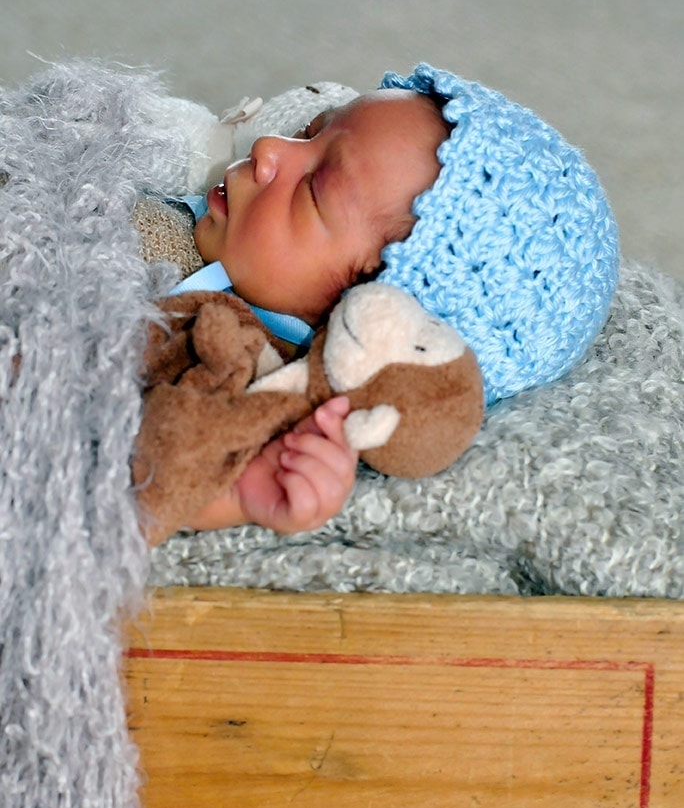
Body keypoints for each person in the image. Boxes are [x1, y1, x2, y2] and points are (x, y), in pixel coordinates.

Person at [143, 63, 619, 540]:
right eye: (308, 133)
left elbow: (150, 468)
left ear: (371, 314)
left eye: (311, 189)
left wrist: (239, 495)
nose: (268, 148)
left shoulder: (258, 377)